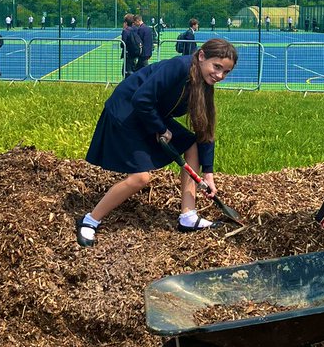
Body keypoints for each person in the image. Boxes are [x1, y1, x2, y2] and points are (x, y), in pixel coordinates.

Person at [76, 38, 238, 245]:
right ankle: (89, 220)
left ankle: (188, 216)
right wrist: (161, 129)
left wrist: (208, 173)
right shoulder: (178, 67)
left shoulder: (204, 85)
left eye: (226, 72)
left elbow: (204, 129)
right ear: (201, 56)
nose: (219, 75)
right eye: (217, 67)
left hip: (150, 115)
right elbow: (141, 98)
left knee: (191, 143)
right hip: (126, 114)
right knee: (141, 178)